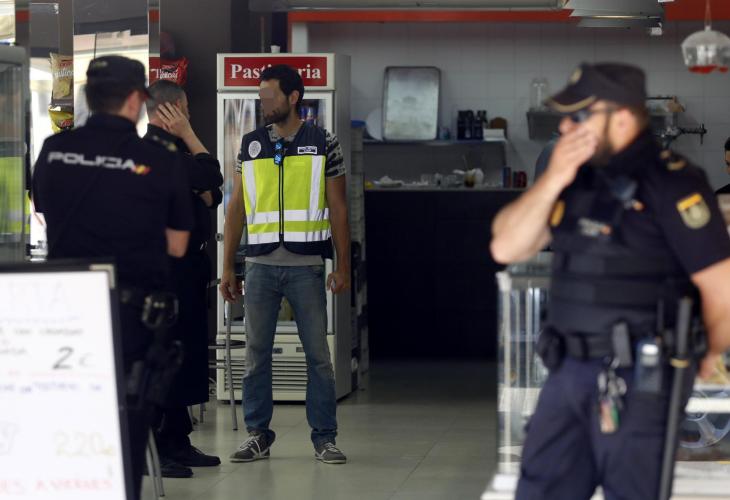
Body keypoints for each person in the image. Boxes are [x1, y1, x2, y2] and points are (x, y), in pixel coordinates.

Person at [490, 62, 730, 500]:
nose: (565, 126)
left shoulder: (674, 182)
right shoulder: (574, 177)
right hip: (566, 372)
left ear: (620, 117)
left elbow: (722, 289)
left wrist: (704, 358)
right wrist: (554, 177)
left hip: (641, 378)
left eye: (578, 116)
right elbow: (506, 246)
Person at [31, 55, 193, 500]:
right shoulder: (157, 158)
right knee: (124, 435)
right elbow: (178, 245)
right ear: (137, 100)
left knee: (66, 431)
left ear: (90, 96)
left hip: (63, 315)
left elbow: (43, 210)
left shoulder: (53, 150)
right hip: (130, 321)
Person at [219, 64, 351, 465]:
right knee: (256, 355)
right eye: (260, 95)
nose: (263, 102)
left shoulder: (323, 142)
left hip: (306, 266)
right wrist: (228, 266)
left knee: (319, 357)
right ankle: (257, 435)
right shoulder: (250, 144)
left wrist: (342, 265)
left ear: (293, 98)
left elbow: (339, 208)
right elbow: (237, 207)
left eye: (269, 95)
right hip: (259, 266)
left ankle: (324, 437)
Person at [143, 80, 223, 478]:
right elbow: (211, 174)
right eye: (185, 109)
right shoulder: (155, 151)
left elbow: (213, 193)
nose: (189, 116)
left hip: (189, 267)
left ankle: (177, 438)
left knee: (187, 354)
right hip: (165, 270)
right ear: (170, 110)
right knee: (167, 354)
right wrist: (190, 136)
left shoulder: (175, 154)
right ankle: (158, 444)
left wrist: (204, 188)